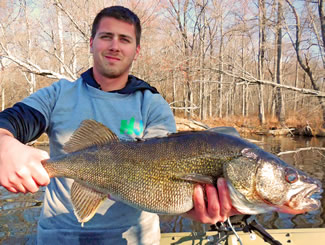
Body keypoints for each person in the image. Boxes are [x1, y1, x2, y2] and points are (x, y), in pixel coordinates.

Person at [0, 5, 238, 244]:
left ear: (137, 50)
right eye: (106, 37)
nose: (114, 46)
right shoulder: (58, 94)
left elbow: (165, 181)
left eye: (124, 39)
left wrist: (192, 206)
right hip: (58, 237)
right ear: (92, 42)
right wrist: (4, 144)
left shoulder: (152, 104)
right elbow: (11, 121)